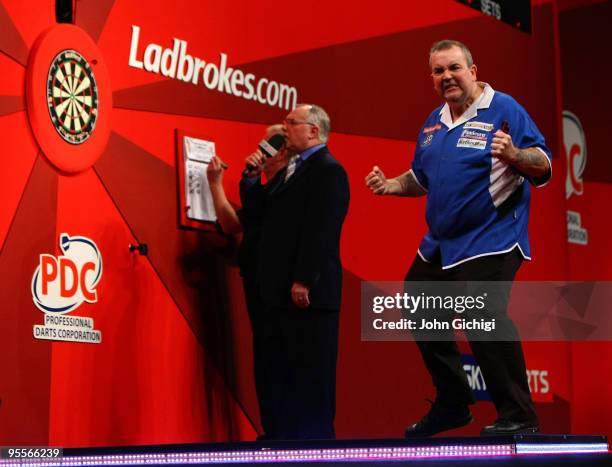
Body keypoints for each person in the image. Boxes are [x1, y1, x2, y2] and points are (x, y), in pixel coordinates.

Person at [365, 39, 551, 437]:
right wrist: (391, 185)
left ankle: (519, 415)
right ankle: (452, 402)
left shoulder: (504, 108)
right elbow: (420, 178)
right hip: (443, 243)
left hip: (493, 235)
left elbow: (543, 163)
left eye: (454, 68)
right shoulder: (433, 124)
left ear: (473, 70)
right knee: (417, 302)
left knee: (481, 315)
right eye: (438, 71)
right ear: (431, 78)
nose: (447, 76)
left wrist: (515, 155)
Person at [240, 104, 350, 439]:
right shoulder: (292, 169)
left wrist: (304, 279)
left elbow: (322, 229)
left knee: (310, 377)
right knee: (282, 374)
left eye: (291, 122)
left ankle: (316, 447)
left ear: (314, 131)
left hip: (309, 297)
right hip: (278, 295)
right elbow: (259, 208)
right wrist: (250, 174)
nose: (284, 128)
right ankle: (282, 441)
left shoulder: (328, 170)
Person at [206, 124, 289, 440]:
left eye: (268, 144)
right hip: (256, 283)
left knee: (279, 359)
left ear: (282, 149)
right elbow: (231, 223)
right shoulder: (263, 194)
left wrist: (249, 177)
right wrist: (215, 183)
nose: (260, 149)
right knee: (265, 359)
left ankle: (286, 434)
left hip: (279, 289)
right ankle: (273, 430)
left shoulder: (287, 190)